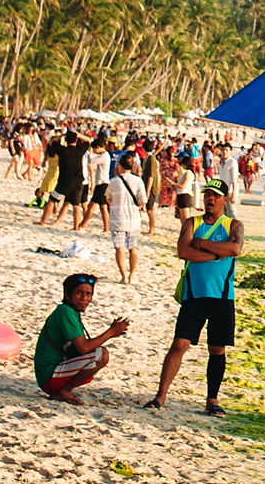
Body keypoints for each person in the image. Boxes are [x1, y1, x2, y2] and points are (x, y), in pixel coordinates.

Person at [149, 180, 242, 415]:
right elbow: (183, 252)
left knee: (217, 349)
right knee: (179, 344)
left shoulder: (233, 225)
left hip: (222, 297)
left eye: (215, 195)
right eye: (207, 194)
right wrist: (216, 253)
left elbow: (235, 250)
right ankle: (160, 396)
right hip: (194, 295)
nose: (210, 199)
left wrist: (201, 244)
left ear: (224, 200)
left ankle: (212, 400)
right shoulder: (192, 223)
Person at [34, 272, 128, 403]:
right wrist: (111, 332)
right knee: (101, 355)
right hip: (49, 376)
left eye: (88, 294)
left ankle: (63, 390)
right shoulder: (65, 312)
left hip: (51, 374)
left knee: (96, 353)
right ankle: (64, 391)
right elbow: (83, 348)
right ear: (67, 295)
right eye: (79, 293)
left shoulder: (71, 312)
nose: (84, 298)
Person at [105, 153, 148, 284]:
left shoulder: (114, 181)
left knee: (119, 249)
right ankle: (132, 275)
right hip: (133, 219)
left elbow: (108, 198)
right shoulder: (138, 181)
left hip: (118, 219)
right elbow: (143, 200)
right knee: (133, 248)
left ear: (120, 166)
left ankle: (123, 276)